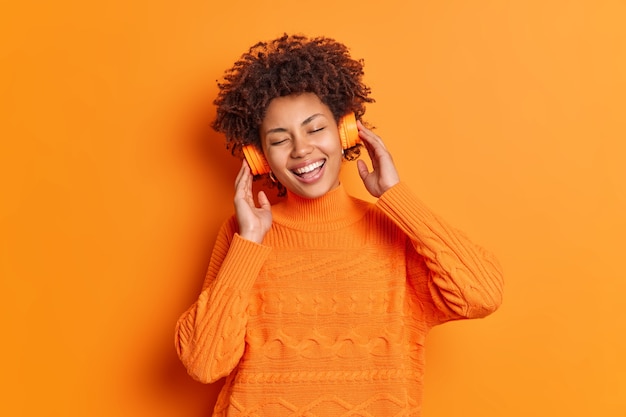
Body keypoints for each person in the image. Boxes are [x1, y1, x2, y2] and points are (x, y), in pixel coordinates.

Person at [175, 34, 504, 416]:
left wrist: (397, 197)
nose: (301, 150)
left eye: (315, 129)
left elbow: (482, 294)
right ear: (260, 157)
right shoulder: (244, 234)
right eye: (280, 140)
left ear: (346, 132)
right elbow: (204, 363)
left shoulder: (395, 229)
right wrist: (249, 243)